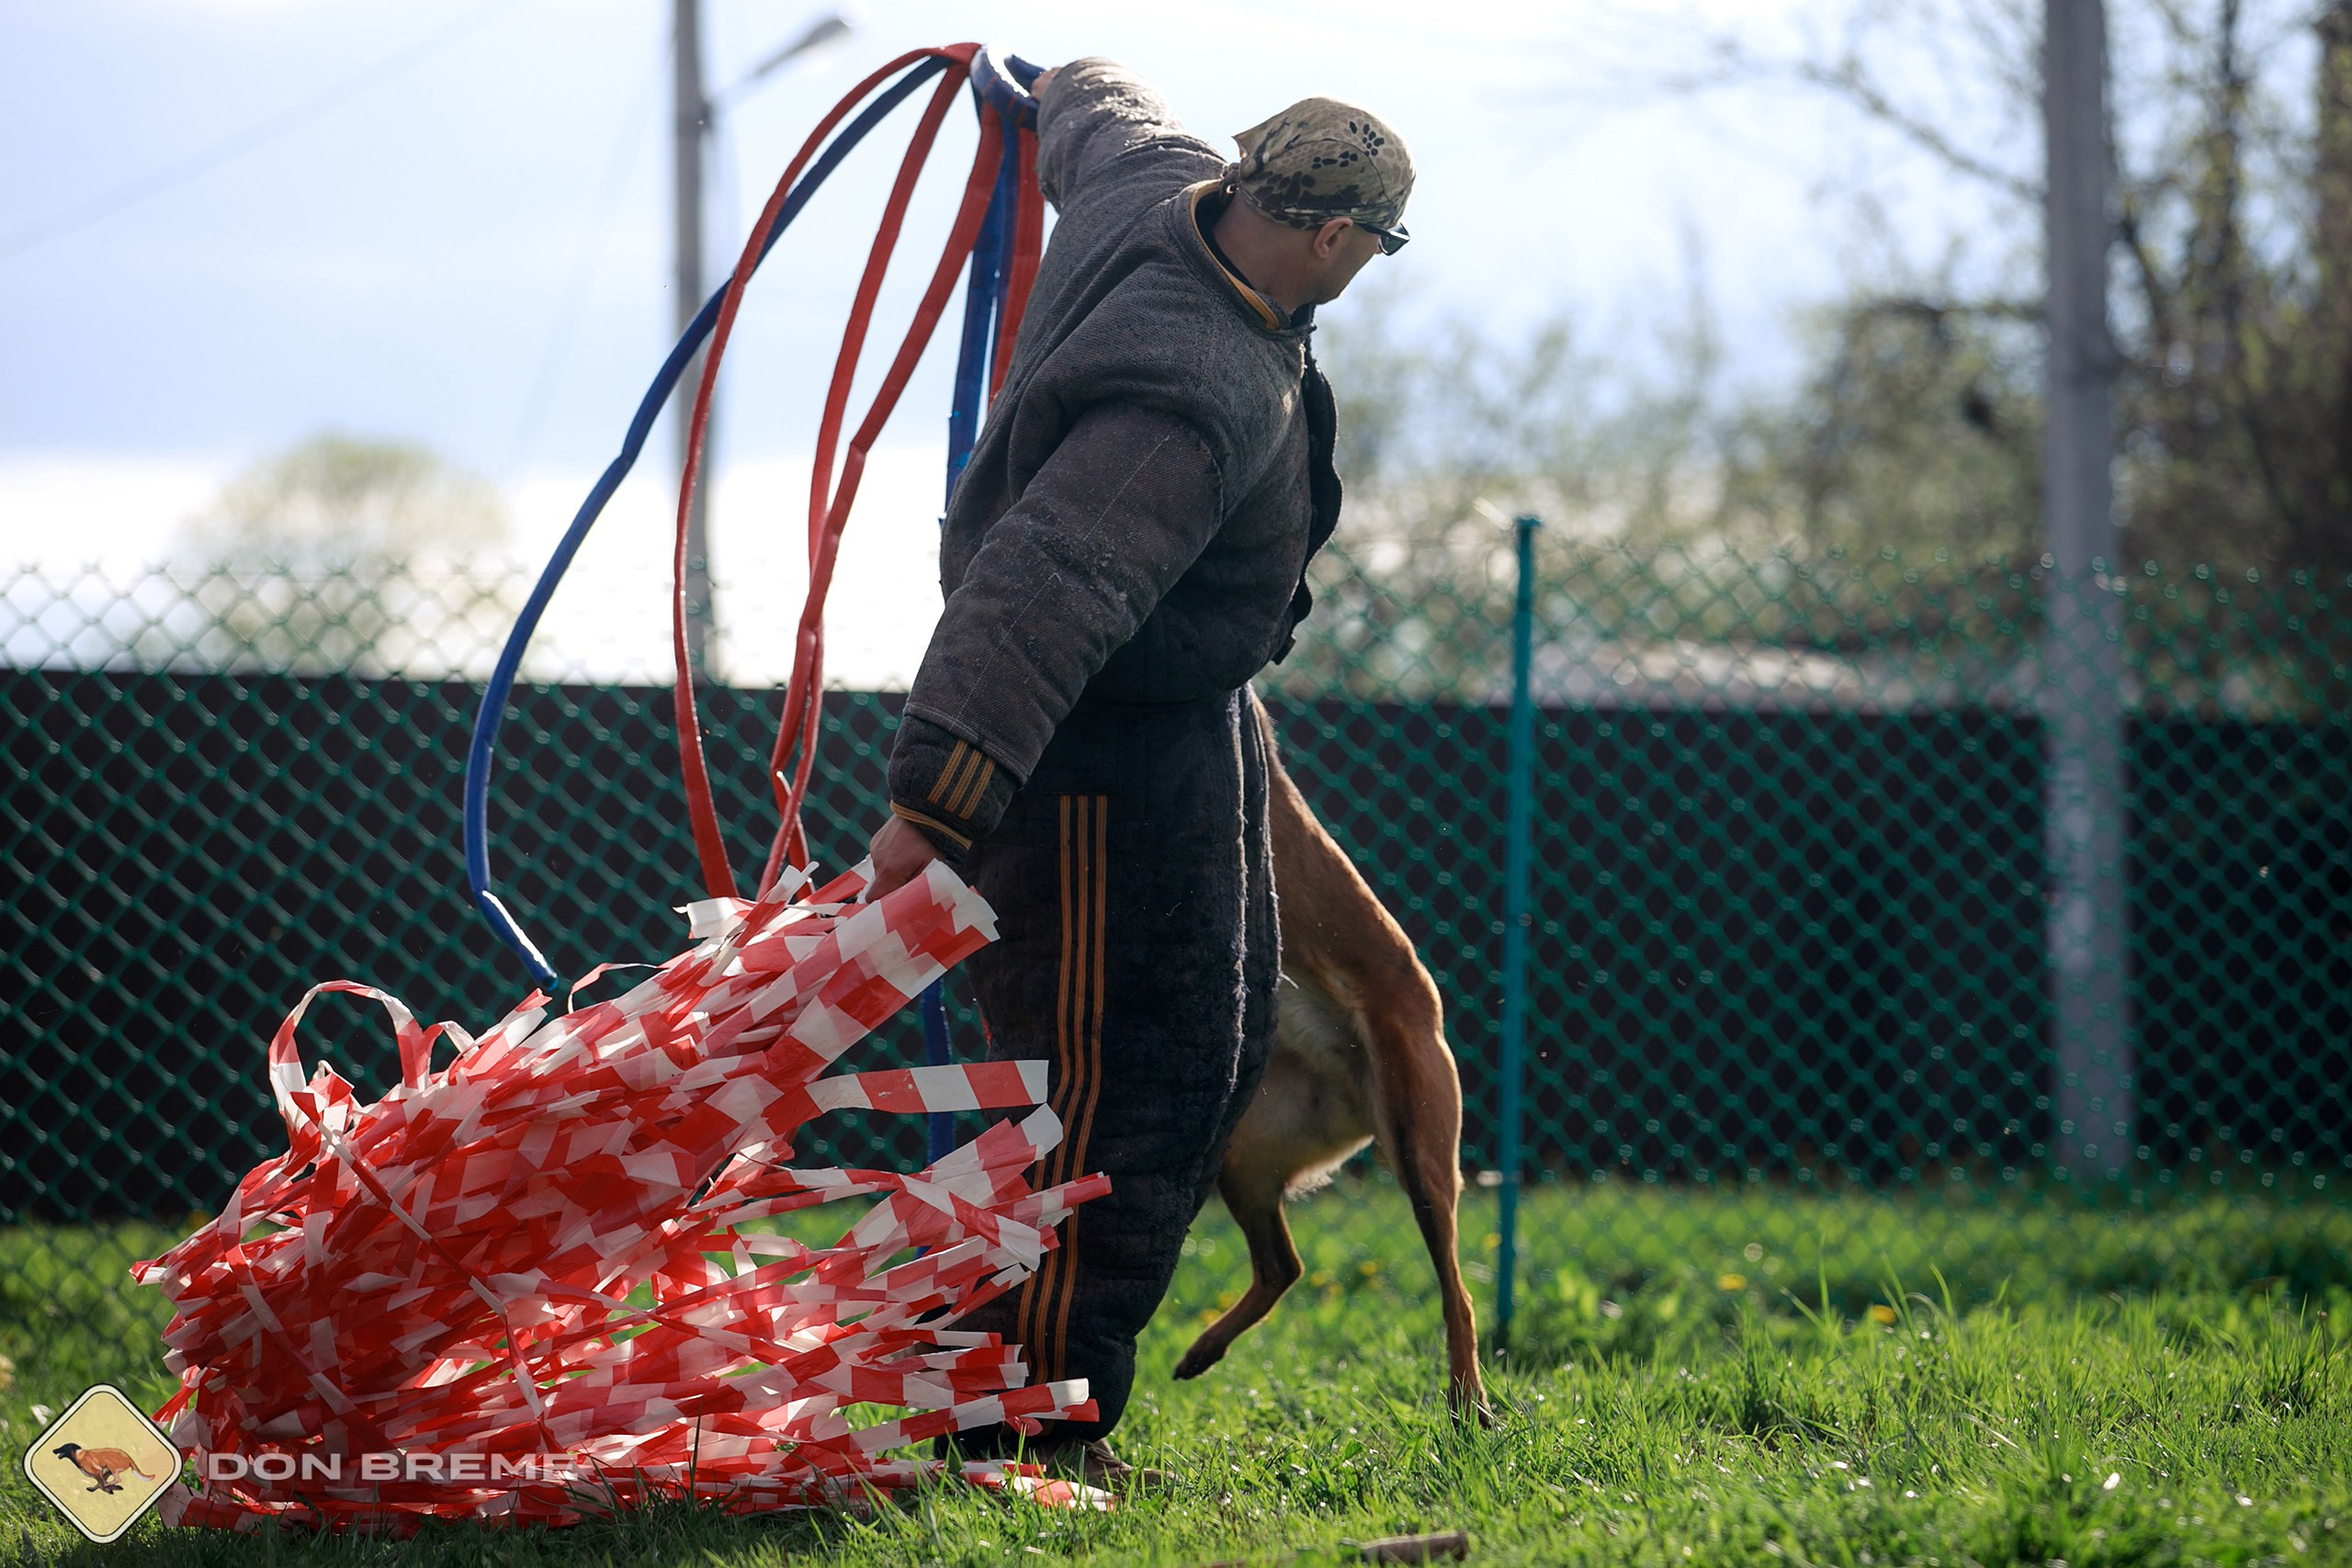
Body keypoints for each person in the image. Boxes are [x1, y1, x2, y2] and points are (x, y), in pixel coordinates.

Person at [862, 58, 1413, 1485]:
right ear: (1340, 240)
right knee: (1117, 1093)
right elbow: (1039, 590)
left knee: (1221, 1045)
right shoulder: (1189, 389)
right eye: (1370, 249)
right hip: (1086, 751)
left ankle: (1009, 1397)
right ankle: (1016, 1424)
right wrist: (938, 804)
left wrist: (1043, 82)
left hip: (1184, 717)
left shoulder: (1153, 183)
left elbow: (1104, 110)